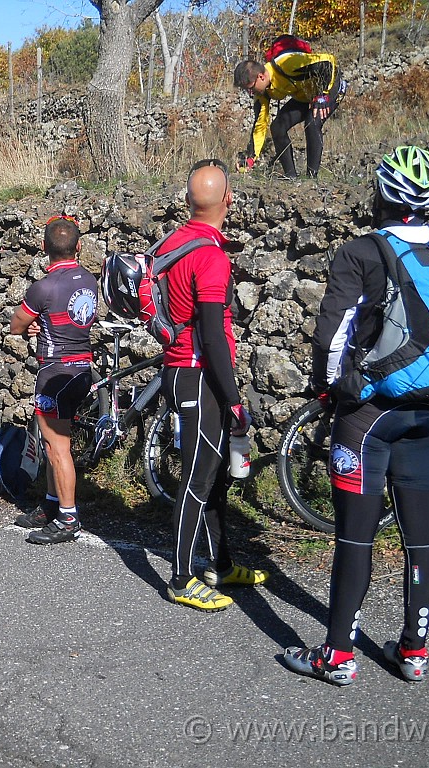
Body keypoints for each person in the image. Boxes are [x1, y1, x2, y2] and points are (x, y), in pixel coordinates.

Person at [282, 146, 429, 685]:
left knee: (356, 537)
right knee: (422, 533)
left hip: (370, 414)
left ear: (384, 192)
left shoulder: (360, 251)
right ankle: (414, 651)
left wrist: (331, 387)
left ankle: (337, 655)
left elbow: (333, 333)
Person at [148, 160, 267, 610]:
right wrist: (234, 400)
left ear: (187, 202)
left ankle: (221, 562)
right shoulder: (212, 257)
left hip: (179, 370)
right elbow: (214, 335)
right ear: (229, 201)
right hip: (199, 375)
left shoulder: (175, 242)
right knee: (197, 481)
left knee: (215, 477)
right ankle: (181, 579)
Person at [9, 215, 98, 545]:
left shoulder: (43, 287)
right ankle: (50, 504)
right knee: (52, 444)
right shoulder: (88, 280)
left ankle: (68, 517)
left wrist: (33, 325)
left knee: (57, 447)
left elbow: (17, 325)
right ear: (78, 247)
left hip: (55, 372)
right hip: (82, 369)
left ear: (44, 247)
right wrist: (42, 323)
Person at [233, 47, 341, 179]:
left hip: (329, 88)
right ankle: (291, 178)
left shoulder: (286, 64)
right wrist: (250, 158)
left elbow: (328, 62)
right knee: (277, 127)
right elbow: (260, 126)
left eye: (250, 88)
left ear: (261, 77)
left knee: (312, 122)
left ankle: (312, 178)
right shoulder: (262, 93)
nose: (250, 93)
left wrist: (323, 95)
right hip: (305, 96)